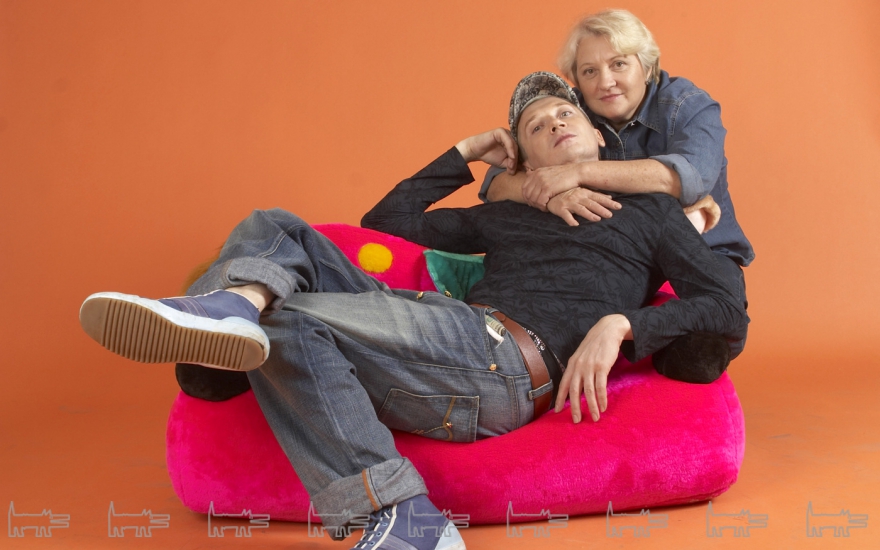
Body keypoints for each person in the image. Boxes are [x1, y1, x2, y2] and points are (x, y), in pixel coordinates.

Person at [78, 72, 747, 550]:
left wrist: (623, 324)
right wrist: (466, 154)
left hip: (503, 362)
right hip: (443, 338)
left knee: (291, 324)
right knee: (276, 227)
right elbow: (385, 223)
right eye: (537, 127)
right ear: (524, 159)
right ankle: (235, 304)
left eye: (565, 116)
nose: (555, 125)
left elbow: (726, 306)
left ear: (598, 138)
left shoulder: (651, 213)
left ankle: (400, 517)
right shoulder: (505, 214)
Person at [482, 9, 753, 359]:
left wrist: (577, 174)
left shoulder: (688, 105)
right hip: (608, 250)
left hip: (701, 246)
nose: (604, 82)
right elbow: (496, 182)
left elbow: (689, 179)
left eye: (619, 64)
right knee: (551, 309)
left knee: (713, 338)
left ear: (647, 66)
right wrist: (548, 196)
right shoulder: (568, 111)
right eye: (589, 72)